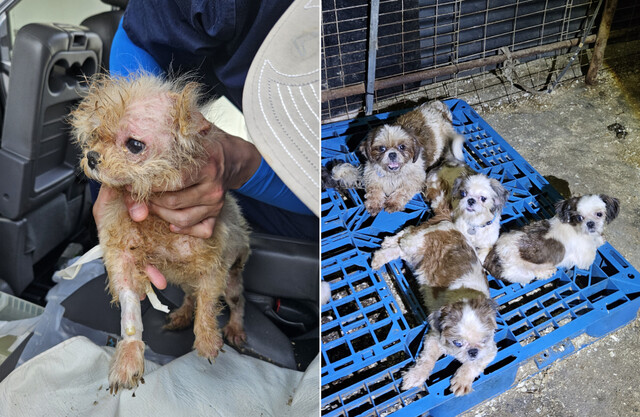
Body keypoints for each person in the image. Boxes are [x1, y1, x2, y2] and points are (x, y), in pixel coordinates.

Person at [92, 0, 319, 291]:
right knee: (115, 182)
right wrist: (138, 132)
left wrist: (241, 166)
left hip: (317, 192)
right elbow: (141, 34)